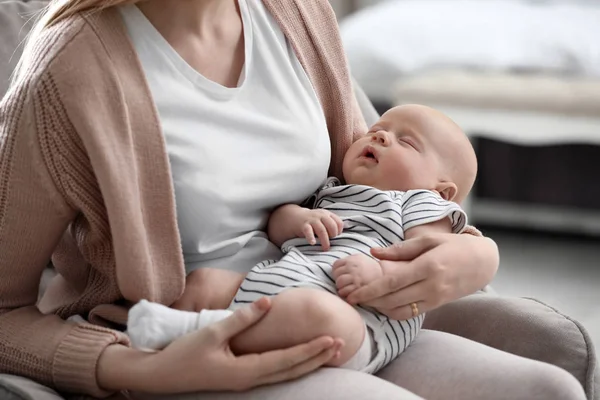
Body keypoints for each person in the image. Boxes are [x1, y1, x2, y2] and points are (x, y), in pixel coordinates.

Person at [0, 0, 586, 398]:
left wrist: (475, 254)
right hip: (198, 337)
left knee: (548, 389)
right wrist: (133, 367)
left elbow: (385, 190)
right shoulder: (68, 70)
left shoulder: (297, 13)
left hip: (343, 304)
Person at [127, 104, 474, 374]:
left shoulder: (422, 204)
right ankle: (158, 332)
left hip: (358, 319)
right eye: (377, 130)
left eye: (407, 142)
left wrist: (381, 276)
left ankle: (189, 331)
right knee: (203, 282)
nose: (381, 137)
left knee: (317, 314)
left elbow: (426, 257)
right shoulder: (332, 190)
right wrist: (297, 218)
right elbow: (276, 228)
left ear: (442, 191)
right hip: (271, 283)